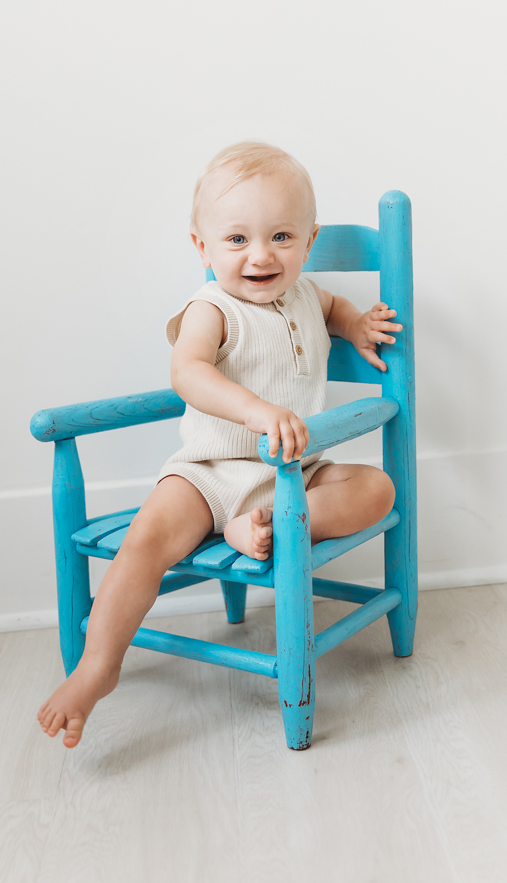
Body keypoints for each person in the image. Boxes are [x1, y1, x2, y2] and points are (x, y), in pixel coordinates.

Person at [38, 141, 402, 747]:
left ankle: (266, 524)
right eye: (236, 240)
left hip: (294, 473)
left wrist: (356, 324)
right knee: (146, 540)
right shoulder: (211, 307)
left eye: (281, 237)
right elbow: (189, 374)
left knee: (375, 488)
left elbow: (334, 308)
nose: (260, 255)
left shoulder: (310, 294)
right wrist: (260, 412)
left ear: (308, 242)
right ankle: (98, 667)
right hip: (208, 473)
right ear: (201, 246)